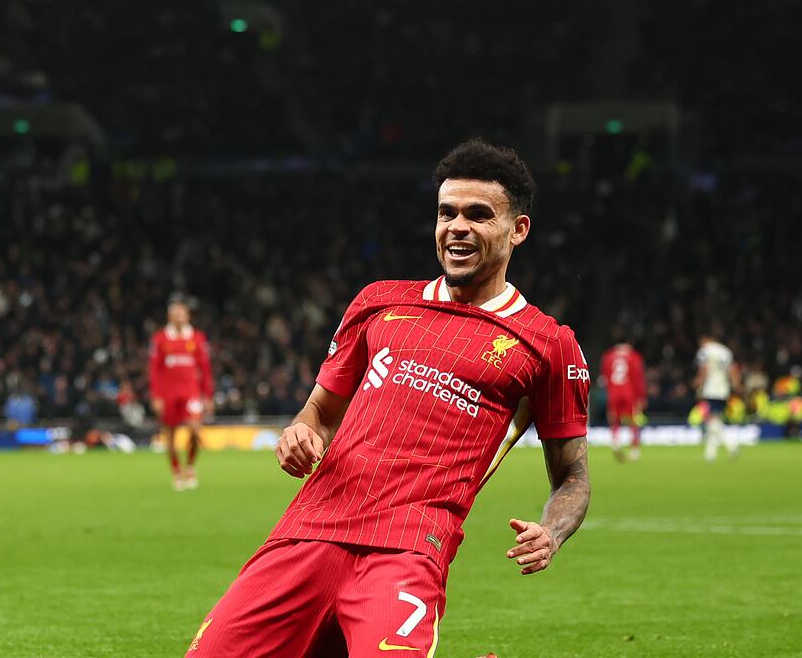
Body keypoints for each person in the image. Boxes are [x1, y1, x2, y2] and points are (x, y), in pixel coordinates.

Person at [185, 139, 591, 657]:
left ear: (518, 230)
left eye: (478, 215)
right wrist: (300, 433)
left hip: (408, 548)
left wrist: (552, 532)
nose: (457, 227)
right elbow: (319, 413)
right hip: (307, 532)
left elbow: (574, 476)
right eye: (446, 213)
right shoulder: (378, 302)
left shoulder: (548, 343)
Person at [149, 299, 215, 490]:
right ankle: (177, 471)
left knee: (195, 430)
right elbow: (155, 370)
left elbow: (205, 369)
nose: (179, 317)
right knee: (169, 435)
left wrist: (208, 395)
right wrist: (156, 396)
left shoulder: (197, 339)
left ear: (187, 316)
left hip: (191, 393)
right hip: (168, 394)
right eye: (175, 314)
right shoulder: (160, 339)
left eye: (182, 314)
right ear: (169, 317)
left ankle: (190, 466)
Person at [694, 333, 740, 461]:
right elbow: (733, 370)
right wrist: (735, 385)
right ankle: (710, 453)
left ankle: (732, 445)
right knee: (715, 419)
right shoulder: (725, 351)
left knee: (712, 421)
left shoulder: (705, 351)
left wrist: (699, 384)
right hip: (723, 389)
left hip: (711, 389)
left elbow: (704, 369)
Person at [601, 341, 646, 461]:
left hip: (613, 392)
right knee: (633, 419)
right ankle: (635, 449)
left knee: (614, 417)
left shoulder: (608, 356)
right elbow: (638, 378)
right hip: (629, 391)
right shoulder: (634, 356)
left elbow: (605, 377)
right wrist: (641, 397)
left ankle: (615, 443)